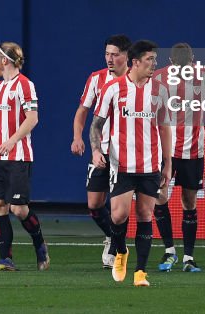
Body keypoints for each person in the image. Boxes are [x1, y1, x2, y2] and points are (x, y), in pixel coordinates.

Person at [90, 40, 172, 288]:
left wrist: (167, 163)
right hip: (122, 164)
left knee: (145, 214)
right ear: (135, 62)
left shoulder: (160, 91)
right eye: (150, 60)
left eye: (155, 60)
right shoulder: (113, 89)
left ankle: (140, 272)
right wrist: (96, 150)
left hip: (149, 165)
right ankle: (121, 251)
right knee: (118, 215)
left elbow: (165, 128)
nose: (154, 64)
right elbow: (96, 124)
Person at [151, 44, 205, 273]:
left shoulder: (204, 76)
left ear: (193, 60)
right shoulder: (158, 78)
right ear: (171, 63)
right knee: (159, 197)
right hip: (166, 151)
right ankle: (169, 251)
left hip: (193, 150)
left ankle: (188, 258)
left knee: (189, 201)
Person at [0, 43, 49, 272]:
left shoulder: (25, 86)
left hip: (19, 156)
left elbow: (33, 119)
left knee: (18, 209)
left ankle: (39, 243)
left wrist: (12, 140)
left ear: (5, 61)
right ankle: (5, 259)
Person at [70, 34, 131, 269]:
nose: (109, 58)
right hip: (101, 150)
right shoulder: (96, 78)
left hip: (127, 154)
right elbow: (82, 111)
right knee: (94, 205)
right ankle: (112, 237)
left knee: (120, 208)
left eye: (115, 54)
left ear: (127, 56)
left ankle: (117, 249)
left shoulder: (136, 80)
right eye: (107, 53)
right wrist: (77, 137)